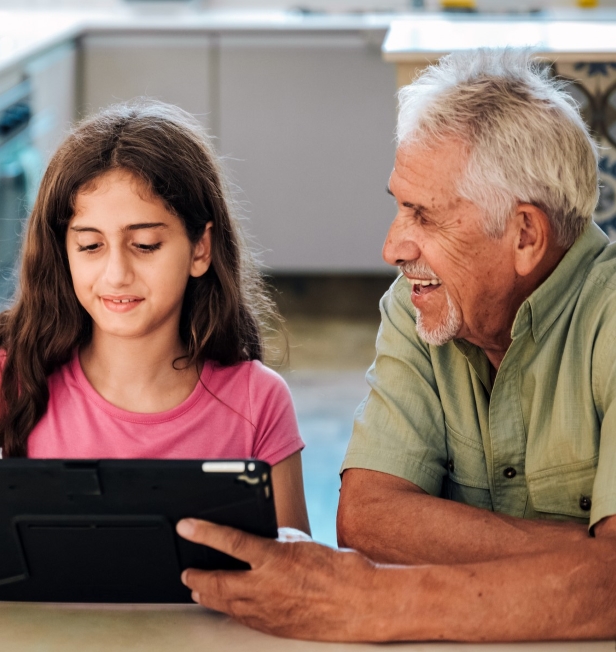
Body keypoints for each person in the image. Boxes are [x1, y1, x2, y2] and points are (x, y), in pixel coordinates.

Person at [175, 49, 616, 641]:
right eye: (398, 206)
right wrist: (582, 560)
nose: (393, 248)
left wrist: (380, 601)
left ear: (526, 234)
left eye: (423, 215)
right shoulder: (420, 307)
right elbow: (369, 518)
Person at [0, 101, 310, 570]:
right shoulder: (13, 378)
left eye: (145, 245)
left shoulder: (259, 400)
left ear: (200, 249)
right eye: (90, 245)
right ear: (64, 252)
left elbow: (295, 577)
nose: (117, 273)